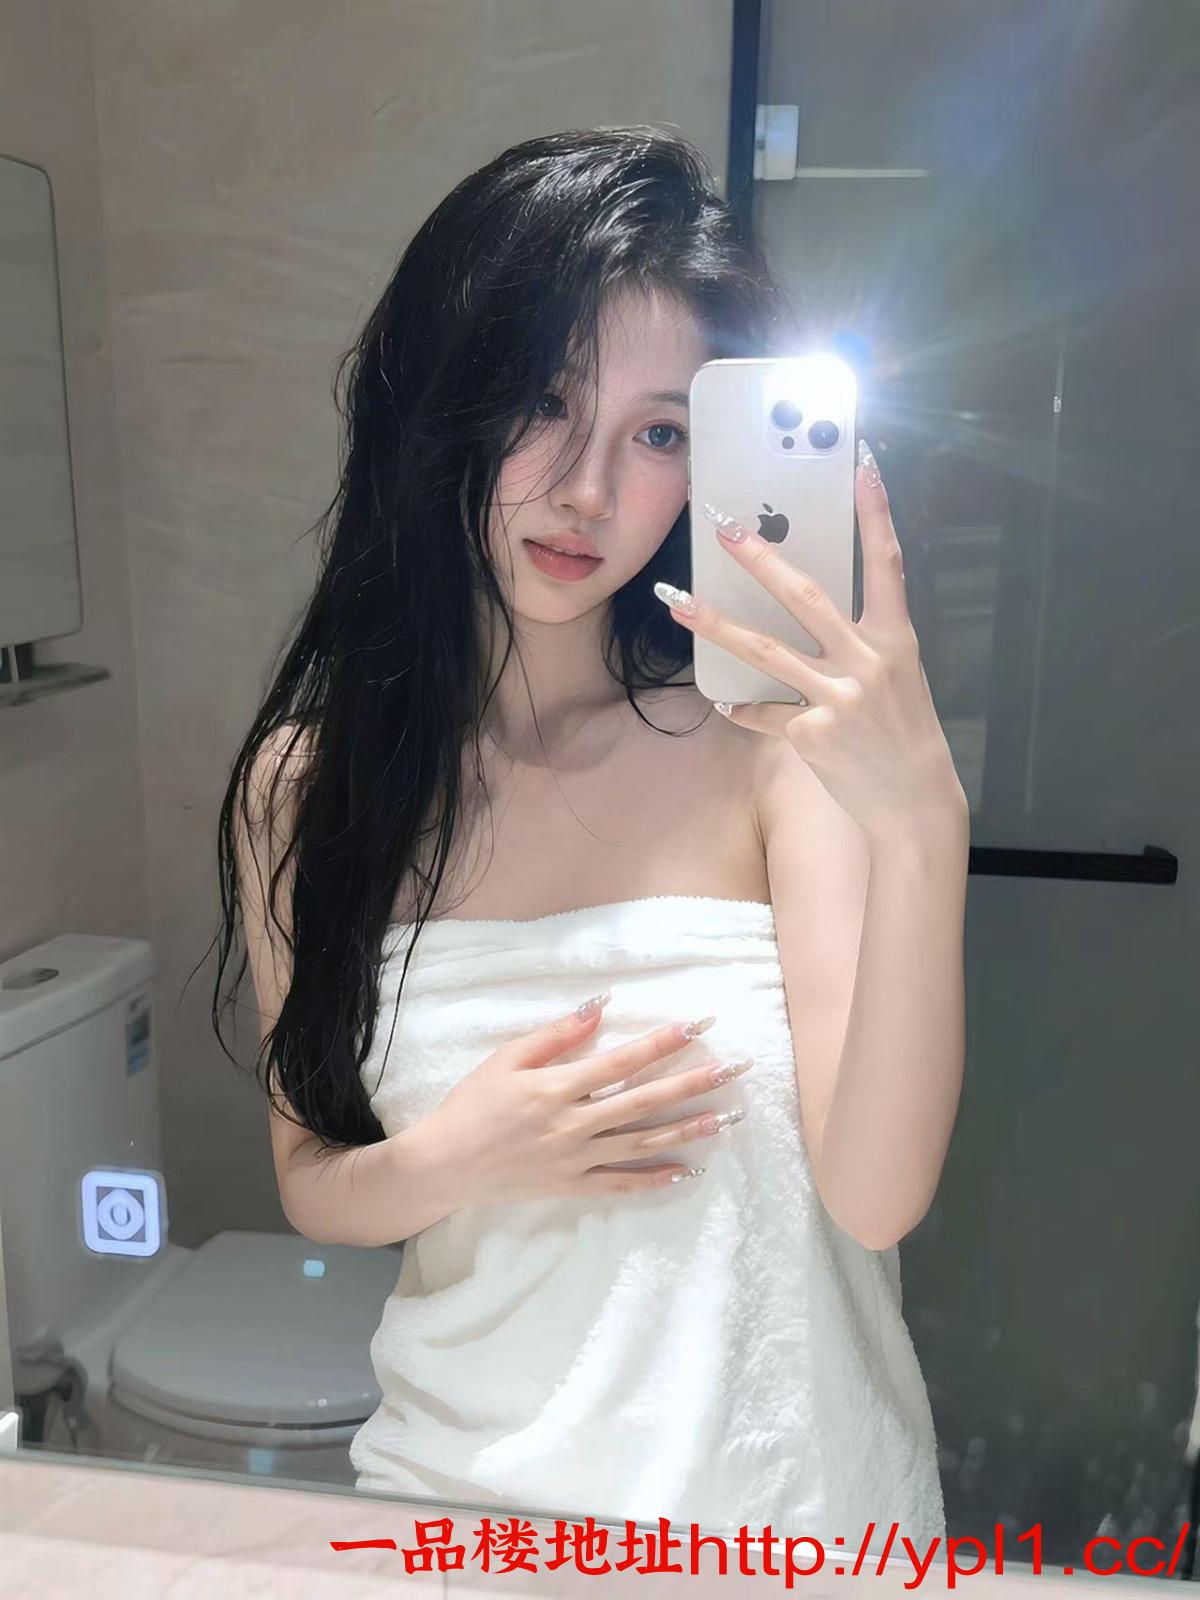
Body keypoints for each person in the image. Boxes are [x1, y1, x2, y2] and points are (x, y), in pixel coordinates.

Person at [212, 125, 968, 1547]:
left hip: (785, 1525)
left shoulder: (768, 751)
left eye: (660, 432)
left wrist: (924, 823)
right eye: (544, 401)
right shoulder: (306, 789)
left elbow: (875, 1201)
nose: (589, 491)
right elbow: (313, 1182)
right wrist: (468, 1151)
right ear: (442, 395)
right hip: (465, 1515)